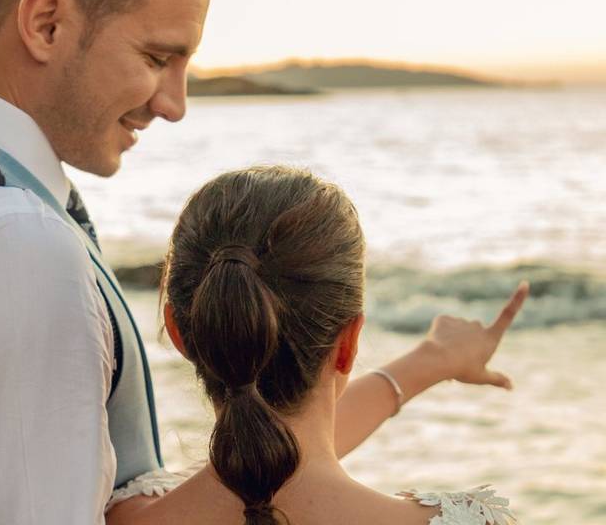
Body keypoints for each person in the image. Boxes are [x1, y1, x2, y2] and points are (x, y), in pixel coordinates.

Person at [0, 0, 523, 524]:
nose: (175, 104)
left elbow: (262, 475)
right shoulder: (14, 242)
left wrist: (422, 365)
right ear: (45, 23)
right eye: (156, 56)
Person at [105, 166, 527, 525]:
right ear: (349, 342)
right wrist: (435, 359)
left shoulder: (119, 516)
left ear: (178, 333)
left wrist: (429, 362)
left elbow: (271, 454)